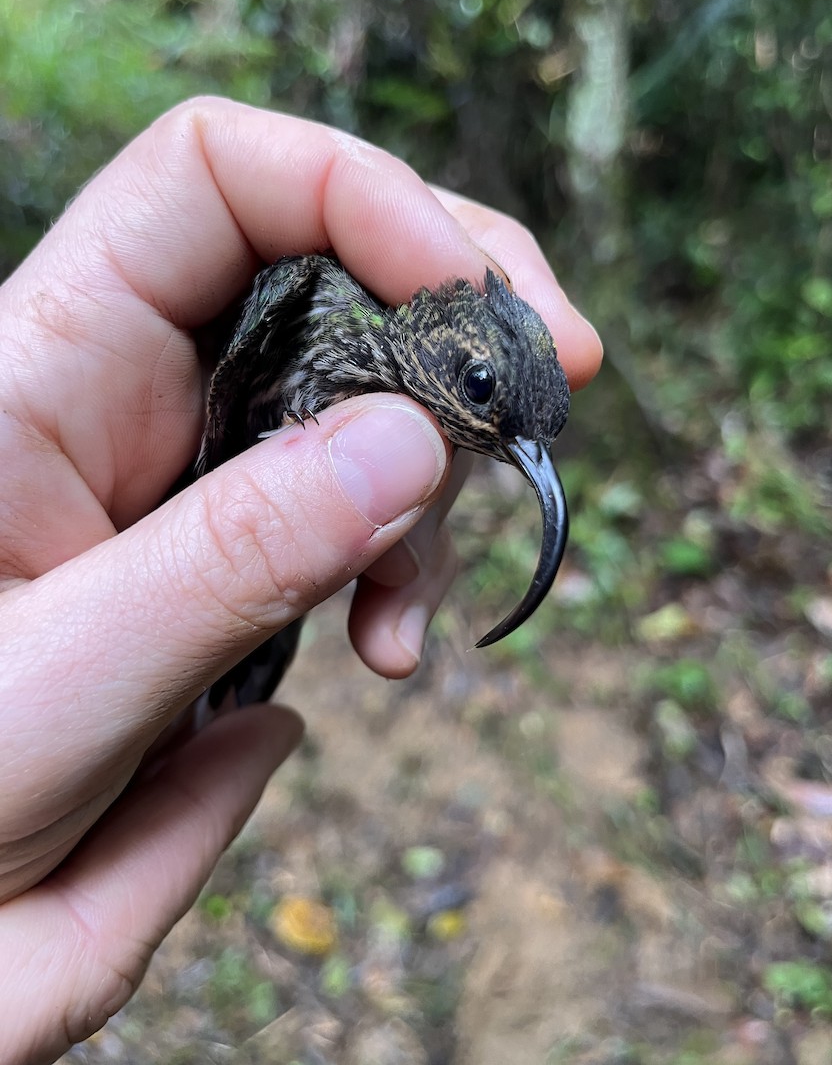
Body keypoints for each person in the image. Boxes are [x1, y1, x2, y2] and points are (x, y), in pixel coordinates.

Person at [0, 97, 602, 1062]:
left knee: (241, 674)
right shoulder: (321, 295)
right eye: (483, 391)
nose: (512, 445)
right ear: (446, 352)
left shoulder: (425, 400)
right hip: (184, 481)